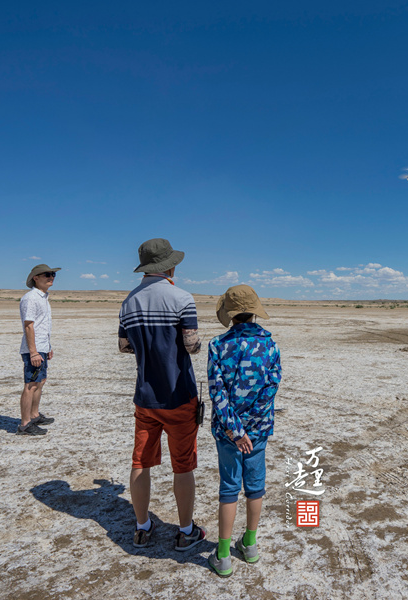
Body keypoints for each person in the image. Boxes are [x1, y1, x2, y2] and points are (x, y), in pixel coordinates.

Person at [118, 238, 206, 552]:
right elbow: (192, 346)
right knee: (182, 465)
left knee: (140, 461)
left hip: (145, 397)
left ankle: (142, 528)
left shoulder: (128, 302)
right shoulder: (182, 298)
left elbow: (124, 346)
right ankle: (185, 530)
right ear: (168, 266)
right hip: (179, 395)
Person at [207, 285, 281, 578]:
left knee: (229, 488)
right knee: (255, 486)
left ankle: (223, 555)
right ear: (253, 312)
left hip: (228, 432)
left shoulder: (217, 345)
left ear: (230, 314)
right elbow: (270, 389)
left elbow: (218, 392)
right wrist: (251, 426)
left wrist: (236, 430)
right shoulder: (270, 345)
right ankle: (249, 544)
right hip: (259, 430)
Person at [17, 264, 60, 435]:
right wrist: (33, 352)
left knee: (40, 382)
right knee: (31, 385)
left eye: (53, 274)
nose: (51, 277)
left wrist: (47, 347)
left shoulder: (43, 297)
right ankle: (25, 424)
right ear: (36, 277)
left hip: (41, 346)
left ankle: (34, 415)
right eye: (47, 274)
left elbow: (42, 326)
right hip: (33, 349)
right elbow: (29, 326)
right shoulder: (31, 298)